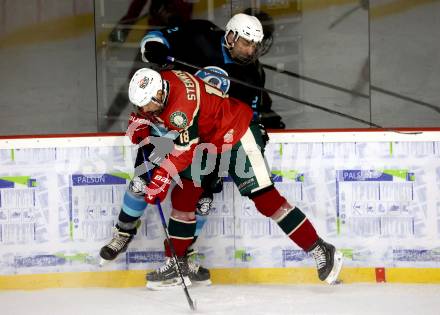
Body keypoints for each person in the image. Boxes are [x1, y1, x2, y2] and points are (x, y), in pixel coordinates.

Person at [99, 12, 283, 286]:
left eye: (254, 45)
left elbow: (252, 113)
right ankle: (123, 232)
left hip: (207, 141)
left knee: (200, 202)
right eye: (246, 43)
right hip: (166, 126)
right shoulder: (201, 33)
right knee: (141, 183)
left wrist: (262, 127)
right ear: (231, 36)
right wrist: (154, 46)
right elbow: (158, 38)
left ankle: (182, 256)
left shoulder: (254, 72)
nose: (251, 50)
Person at [127, 67, 343, 290]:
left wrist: (161, 178)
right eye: (140, 105)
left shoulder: (179, 107)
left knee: (266, 200)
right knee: (184, 194)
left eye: (146, 104)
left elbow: (182, 151)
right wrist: (142, 121)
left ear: (159, 94)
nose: (144, 108)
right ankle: (177, 263)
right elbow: (153, 118)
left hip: (236, 132)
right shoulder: (163, 81)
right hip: (207, 141)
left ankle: (321, 249)